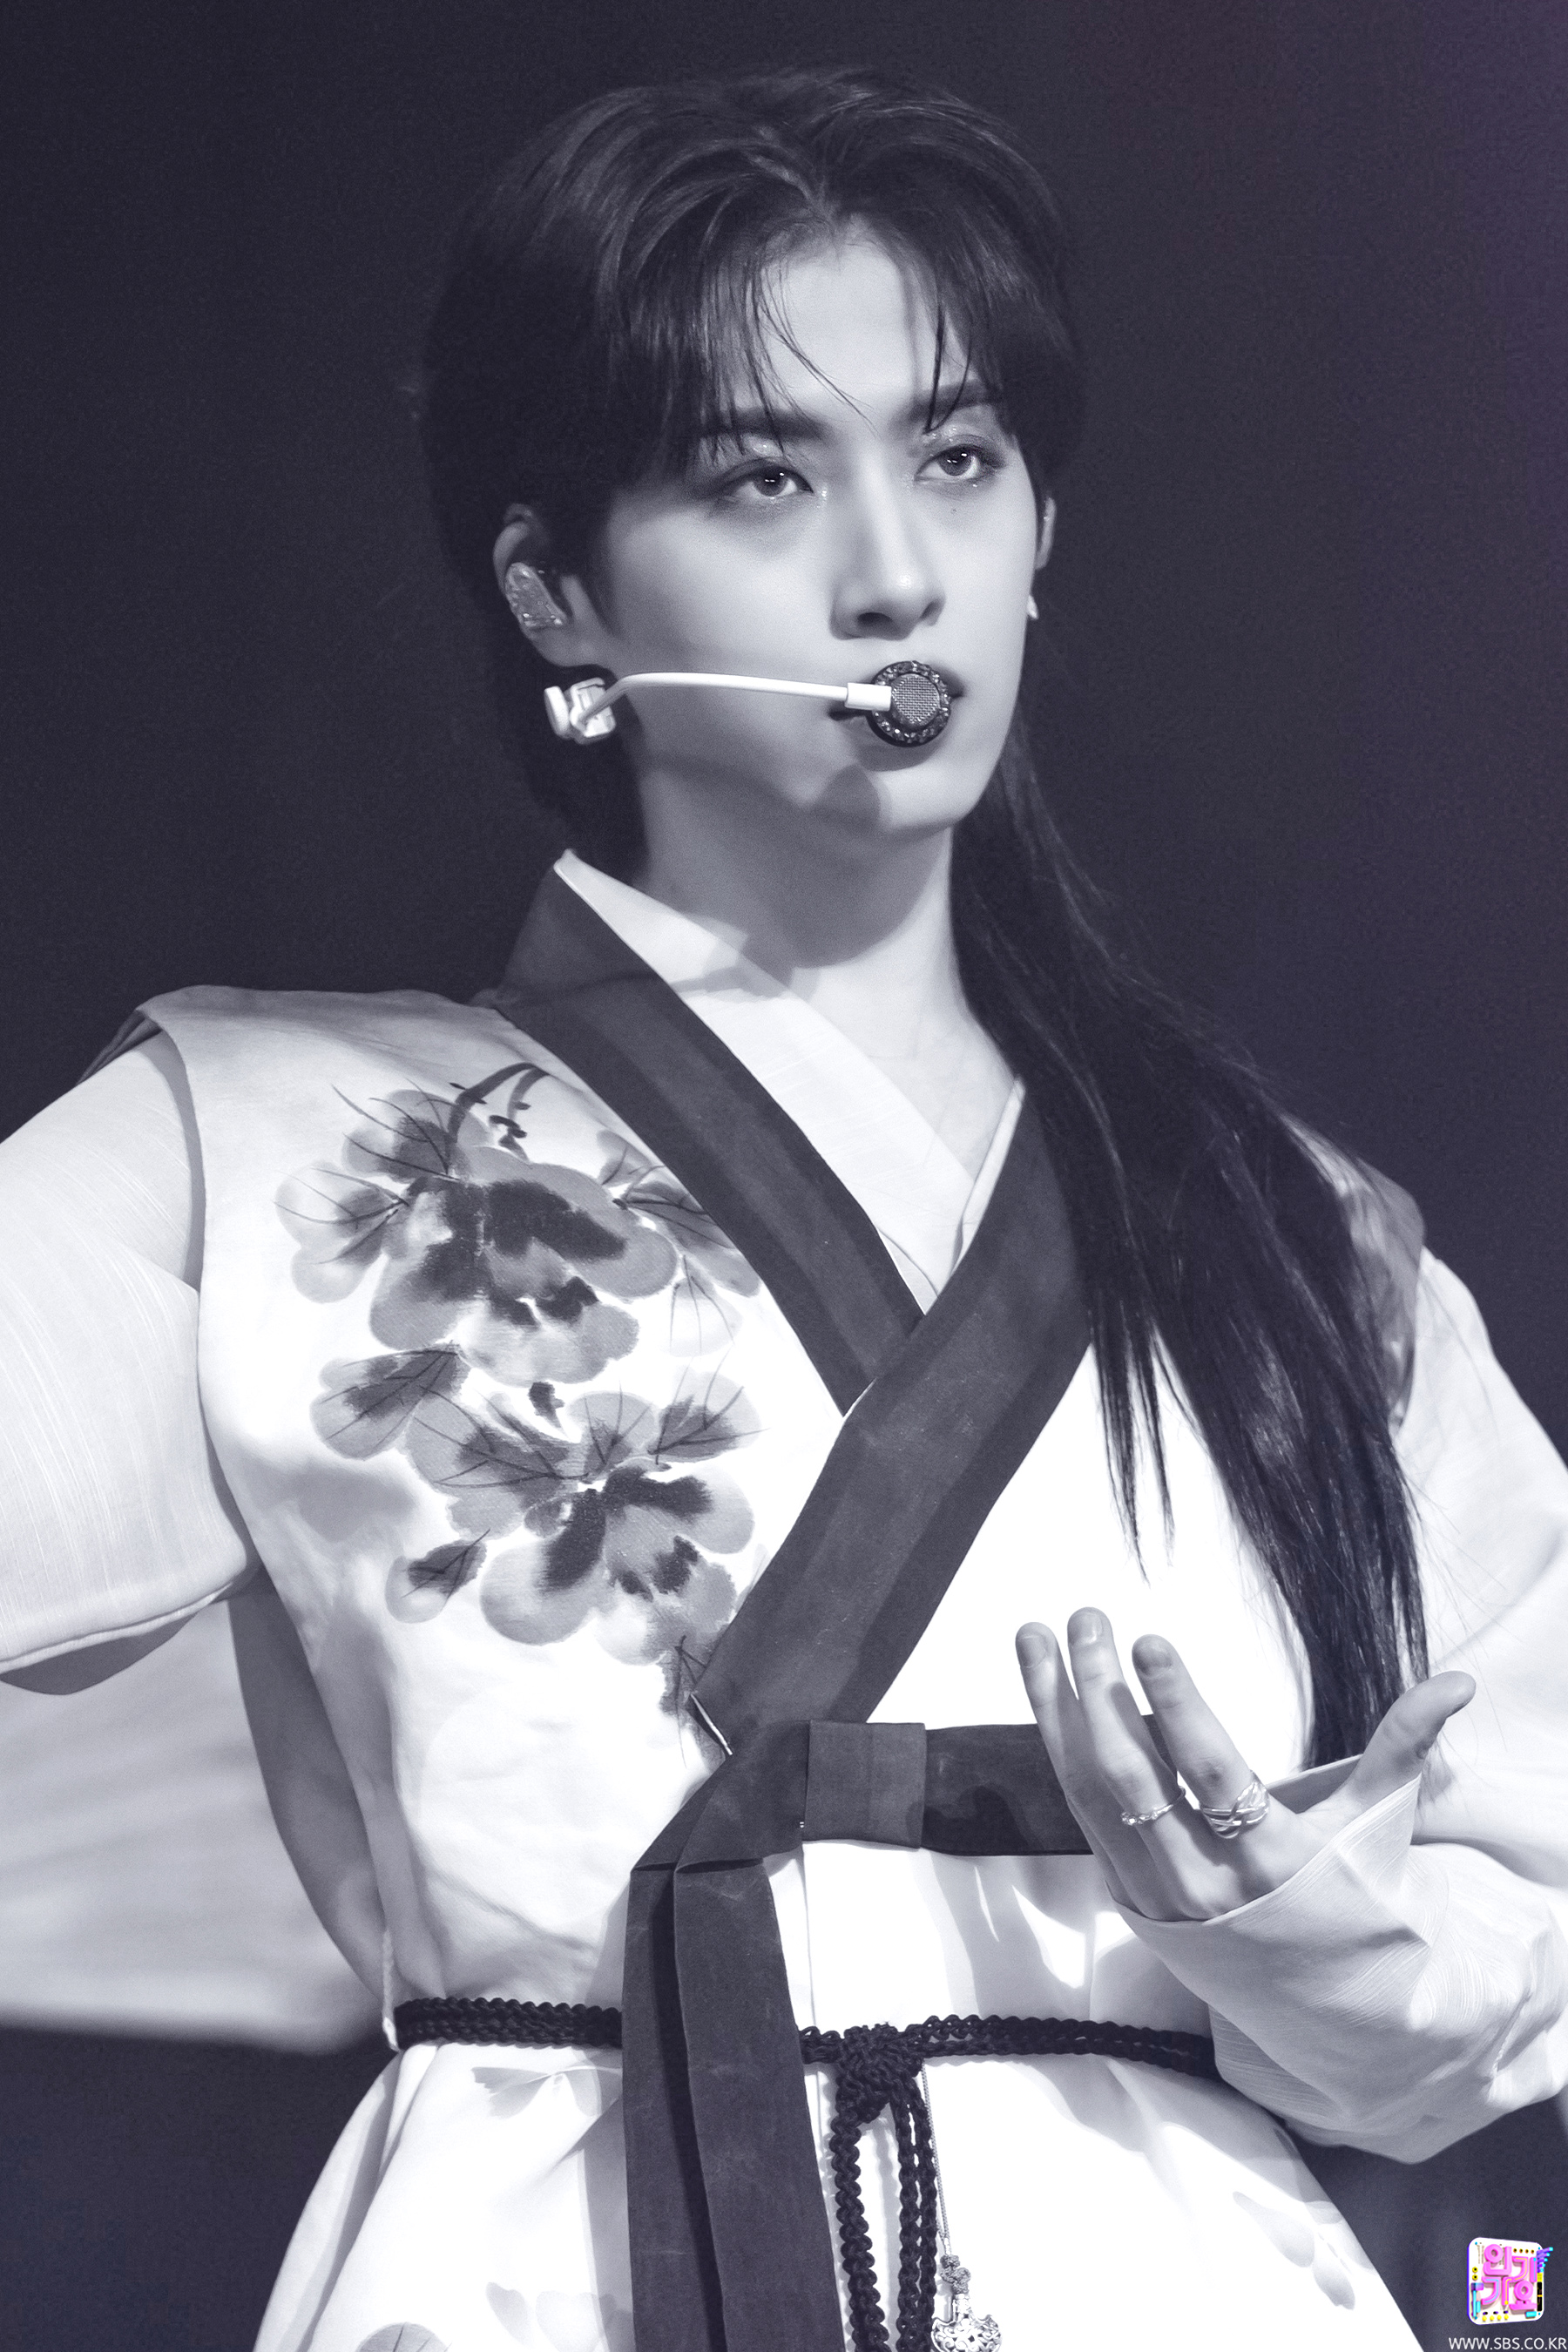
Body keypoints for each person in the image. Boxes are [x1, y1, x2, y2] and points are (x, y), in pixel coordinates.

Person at [2, 64, 1565, 2352]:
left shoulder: (1302, 1254)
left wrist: (1307, 1932)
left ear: (1041, 521)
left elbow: (1504, 1969)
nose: (893, 570)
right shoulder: (258, 1138)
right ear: (556, 587)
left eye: (957, 456)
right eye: (763, 476)